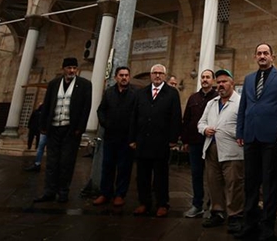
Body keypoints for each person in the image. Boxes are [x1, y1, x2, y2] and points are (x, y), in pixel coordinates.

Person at [235, 43, 277, 241]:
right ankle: (249, 225)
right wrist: (240, 131)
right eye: (259, 53)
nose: (262, 56)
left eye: (266, 53)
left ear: (272, 56)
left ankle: (267, 228)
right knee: (250, 184)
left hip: (271, 139)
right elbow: (243, 106)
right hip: (251, 137)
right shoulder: (249, 79)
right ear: (255, 57)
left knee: (270, 185)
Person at [32, 57, 93, 204]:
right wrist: (43, 125)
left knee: (67, 162)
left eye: (74, 68)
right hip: (54, 128)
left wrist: (80, 128)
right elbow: (47, 105)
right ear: (63, 69)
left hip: (70, 130)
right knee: (52, 161)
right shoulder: (54, 84)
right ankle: (49, 191)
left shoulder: (84, 85)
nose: (72, 70)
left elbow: (86, 108)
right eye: (69, 68)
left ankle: (63, 192)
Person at [130, 63, 182, 218]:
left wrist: (173, 139)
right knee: (142, 175)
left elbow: (176, 117)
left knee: (161, 175)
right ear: (150, 75)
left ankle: (162, 204)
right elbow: (134, 116)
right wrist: (132, 138)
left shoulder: (172, 93)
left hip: (161, 141)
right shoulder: (141, 93)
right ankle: (144, 203)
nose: (157, 75)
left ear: (164, 76)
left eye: (160, 73)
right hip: (142, 141)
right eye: (155, 73)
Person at [198, 69, 245, 232]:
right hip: (211, 149)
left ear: (232, 83)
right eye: (218, 82)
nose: (220, 85)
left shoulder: (240, 102)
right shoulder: (212, 103)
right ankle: (217, 212)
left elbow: (245, 125)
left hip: (232, 150)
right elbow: (201, 122)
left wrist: (230, 132)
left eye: (224, 82)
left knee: (234, 184)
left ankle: (235, 215)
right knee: (214, 183)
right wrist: (205, 129)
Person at [93, 66, 138, 207]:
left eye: (126, 75)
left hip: (127, 138)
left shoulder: (135, 94)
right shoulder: (109, 93)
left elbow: (138, 113)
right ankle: (105, 193)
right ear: (116, 77)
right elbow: (101, 110)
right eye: (121, 75)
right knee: (107, 165)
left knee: (124, 168)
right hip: (111, 136)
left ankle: (120, 194)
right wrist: (106, 123)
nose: (124, 78)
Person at [181, 68, 218, 218]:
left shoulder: (217, 97)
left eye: (208, 77)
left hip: (211, 142)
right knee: (196, 174)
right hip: (195, 142)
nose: (205, 80)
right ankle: (197, 205)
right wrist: (185, 140)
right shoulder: (193, 98)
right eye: (203, 77)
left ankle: (212, 206)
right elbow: (187, 119)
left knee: (213, 175)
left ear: (213, 80)